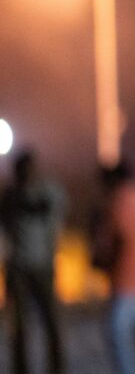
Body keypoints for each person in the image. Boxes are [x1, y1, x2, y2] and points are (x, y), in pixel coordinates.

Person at [0, 150, 66, 374]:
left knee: (51, 322)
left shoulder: (48, 193)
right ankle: (20, 368)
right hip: (18, 267)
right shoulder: (10, 197)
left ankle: (57, 368)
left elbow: (58, 214)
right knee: (18, 326)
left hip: (43, 265)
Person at [94, 162, 135, 374]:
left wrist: (102, 260)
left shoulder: (118, 202)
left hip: (125, 282)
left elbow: (115, 240)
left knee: (117, 337)